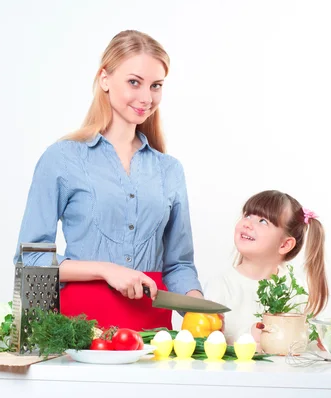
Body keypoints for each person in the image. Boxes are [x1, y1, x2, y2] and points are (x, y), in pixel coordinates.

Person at [13, 30, 202, 331]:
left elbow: (178, 265)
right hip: (79, 328)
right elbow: (30, 259)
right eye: (134, 82)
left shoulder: (170, 170)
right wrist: (106, 270)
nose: (146, 97)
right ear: (104, 79)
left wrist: (198, 308)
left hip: (152, 331)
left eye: (156, 86)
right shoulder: (62, 158)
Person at [203, 190, 329, 346]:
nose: (247, 223)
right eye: (247, 215)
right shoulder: (221, 286)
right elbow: (206, 343)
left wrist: (317, 341)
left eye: (263, 221)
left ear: (284, 244)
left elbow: (303, 343)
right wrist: (248, 336)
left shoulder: (296, 289)